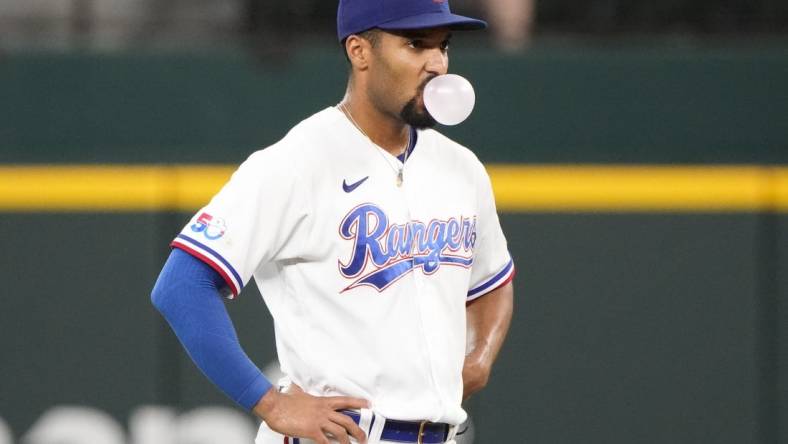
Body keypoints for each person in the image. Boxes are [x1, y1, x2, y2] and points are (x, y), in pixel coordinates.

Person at [150, 0, 515, 443]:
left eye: (444, 45)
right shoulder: (297, 162)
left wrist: (479, 359)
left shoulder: (462, 168)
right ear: (360, 51)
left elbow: (493, 281)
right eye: (416, 44)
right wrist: (269, 402)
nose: (437, 63)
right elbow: (181, 285)